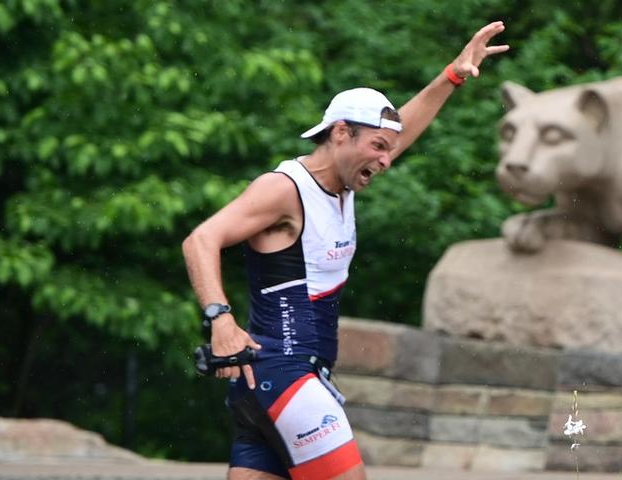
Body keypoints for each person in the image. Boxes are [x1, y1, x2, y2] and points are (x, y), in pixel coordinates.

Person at [180, 21, 509, 480]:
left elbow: (399, 129)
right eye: (377, 147)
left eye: (389, 151)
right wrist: (221, 320)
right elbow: (200, 240)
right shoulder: (284, 189)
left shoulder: (342, 186)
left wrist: (452, 76)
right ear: (339, 134)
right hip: (283, 375)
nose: (386, 159)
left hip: (273, 383)